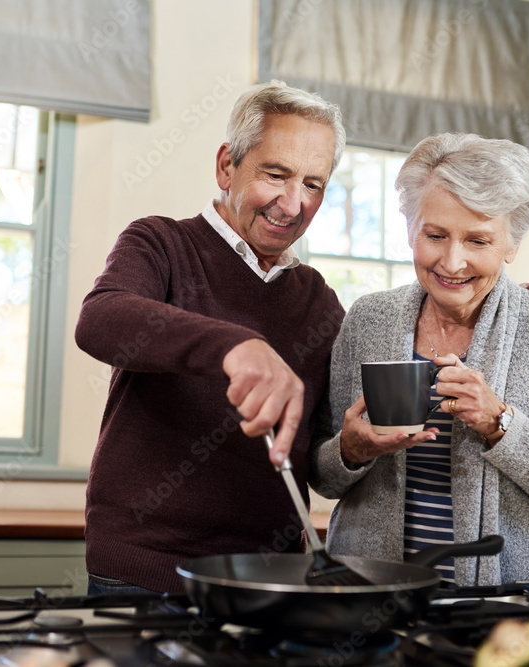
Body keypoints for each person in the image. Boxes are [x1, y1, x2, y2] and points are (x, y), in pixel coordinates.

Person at [309, 132, 529, 586]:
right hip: (369, 600)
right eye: (435, 235)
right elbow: (323, 476)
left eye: (478, 241)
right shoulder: (368, 320)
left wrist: (502, 424)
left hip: (509, 610)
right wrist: (350, 450)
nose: (452, 262)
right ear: (410, 230)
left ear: (511, 246)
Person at [75, 81, 347, 594]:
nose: (293, 203)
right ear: (227, 166)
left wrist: (483, 306)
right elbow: (101, 319)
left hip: (272, 582)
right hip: (146, 577)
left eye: (314, 184)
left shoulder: (318, 299)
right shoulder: (160, 243)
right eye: (276, 174)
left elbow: (322, 449)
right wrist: (235, 345)